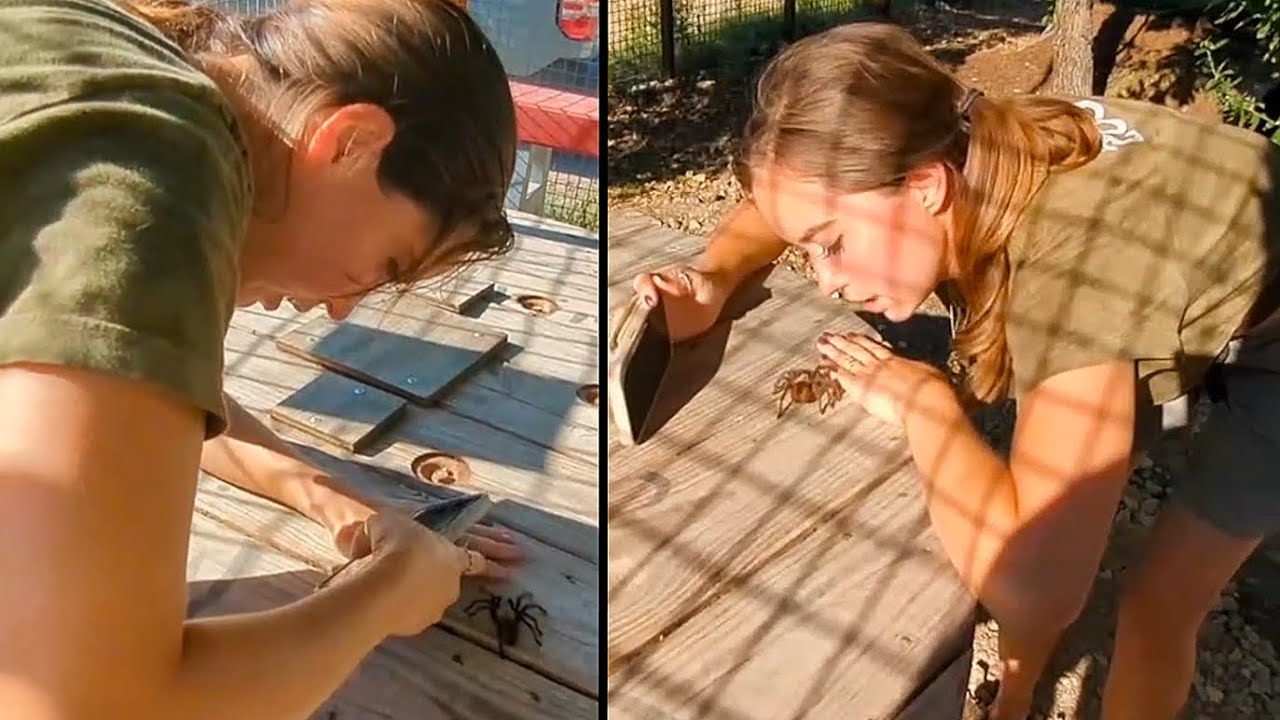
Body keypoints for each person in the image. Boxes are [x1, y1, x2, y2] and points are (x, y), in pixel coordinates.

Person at [630, 21, 1280, 720]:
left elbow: (1037, 584)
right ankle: (1015, 697)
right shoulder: (962, 142)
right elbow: (778, 211)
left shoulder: (1069, 282)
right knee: (1054, 495)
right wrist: (714, 279)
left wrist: (925, 404)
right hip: (1188, 261)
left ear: (926, 186)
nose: (826, 283)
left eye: (835, 247)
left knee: (1156, 604)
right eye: (810, 252)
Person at [0, 0, 529, 717]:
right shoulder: (161, 175)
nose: (347, 305)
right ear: (349, 142)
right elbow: (79, 706)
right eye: (387, 263)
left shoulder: (118, 65)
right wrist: (381, 598)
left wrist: (337, 498)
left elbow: (133, 384)